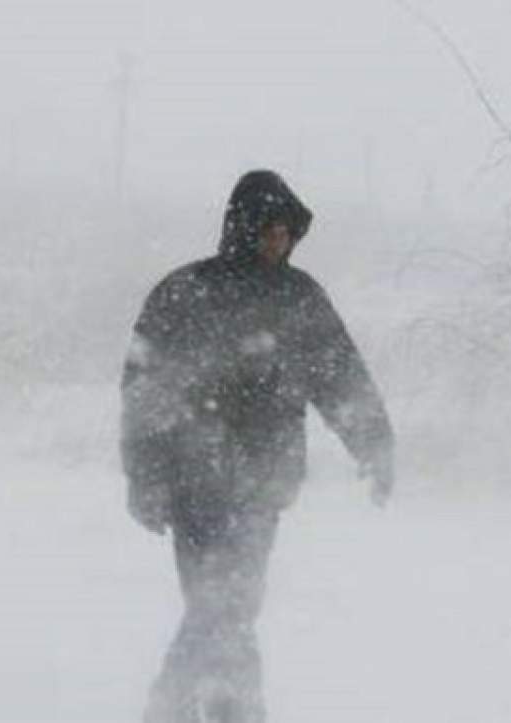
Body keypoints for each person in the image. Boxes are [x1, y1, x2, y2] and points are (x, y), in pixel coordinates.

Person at [120, 170, 395, 722]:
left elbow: (340, 374)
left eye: (286, 232)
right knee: (220, 607)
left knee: (229, 607)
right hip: (191, 483)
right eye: (269, 230)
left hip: (262, 485)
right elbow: (144, 393)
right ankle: (217, 710)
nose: (279, 242)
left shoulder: (298, 296)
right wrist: (145, 477)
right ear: (242, 227)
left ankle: (186, 707)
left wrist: (374, 444)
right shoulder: (186, 291)